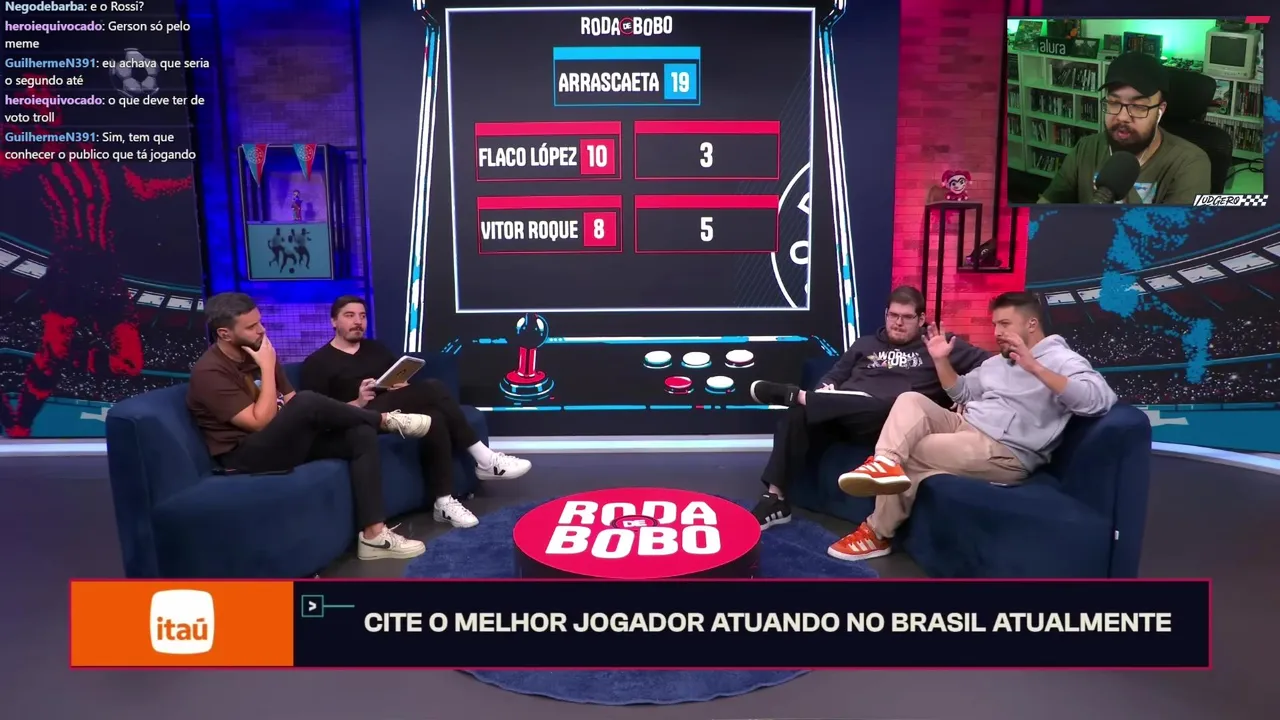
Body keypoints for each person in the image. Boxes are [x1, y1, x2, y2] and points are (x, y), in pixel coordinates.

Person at [827, 291, 1117, 562]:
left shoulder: (1062, 359)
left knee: (914, 450)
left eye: (1005, 324)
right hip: (967, 426)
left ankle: (877, 534)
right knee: (909, 400)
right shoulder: (999, 361)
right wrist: (941, 360)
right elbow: (962, 392)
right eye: (995, 324)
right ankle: (884, 462)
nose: (997, 332)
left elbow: (1098, 400)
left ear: (1031, 324)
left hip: (1005, 451)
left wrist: (1035, 368)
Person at [186, 292, 433, 561]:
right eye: (251, 326)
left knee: (360, 435)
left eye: (260, 322)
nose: (262, 330)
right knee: (306, 401)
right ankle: (385, 420)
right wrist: (267, 368)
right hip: (246, 454)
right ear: (224, 334)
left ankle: (374, 536)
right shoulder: (211, 372)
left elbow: (290, 401)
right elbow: (260, 423)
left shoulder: (257, 350)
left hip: (282, 439)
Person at [745, 286, 989, 529]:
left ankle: (797, 395)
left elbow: (990, 364)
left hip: (888, 423)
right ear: (886, 314)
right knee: (797, 414)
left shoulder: (936, 345)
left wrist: (965, 392)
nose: (898, 323)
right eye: (893, 315)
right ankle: (775, 499)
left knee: (898, 402)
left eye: (907, 317)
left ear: (921, 319)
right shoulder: (864, 344)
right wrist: (824, 390)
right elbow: (835, 376)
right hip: (844, 416)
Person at [299, 296, 532, 528]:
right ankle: (484, 458)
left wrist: (401, 386)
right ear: (333, 321)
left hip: (394, 411)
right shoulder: (317, 363)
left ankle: (443, 502)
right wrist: (358, 402)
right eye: (349, 316)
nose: (358, 322)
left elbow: (394, 379)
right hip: (359, 420)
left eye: (362, 316)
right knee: (433, 388)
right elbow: (320, 415)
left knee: (434, 417)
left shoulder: (376, 349)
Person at [1037, 52, 1210, 205]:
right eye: (1114, 102)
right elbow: (1046, 206)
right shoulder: (1086, 148)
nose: (1122, 117)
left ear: (1160, 110)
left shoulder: (1190, 163)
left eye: (1138, 106)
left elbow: (1177, 230)